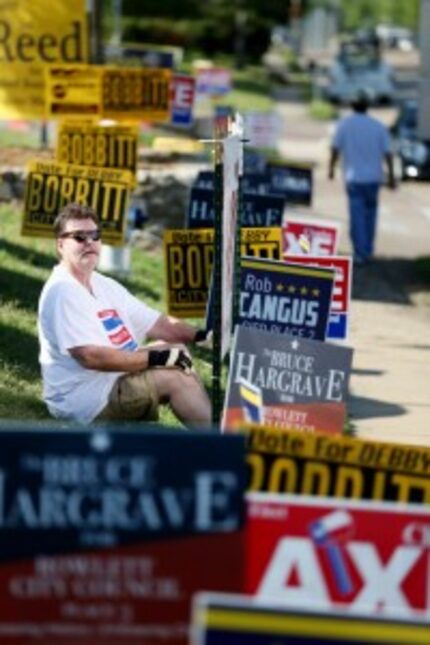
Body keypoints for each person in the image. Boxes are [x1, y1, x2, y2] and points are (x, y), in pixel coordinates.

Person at [38, 203, 212, 427]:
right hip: (86, 401)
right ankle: (226, 447)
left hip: (110, 379)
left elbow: (161, 324)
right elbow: (90, 357)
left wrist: (204, 336)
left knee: (177, 349)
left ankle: (217, 426)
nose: (89, 242)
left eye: (95, 235)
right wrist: (156, 359)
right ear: (61, 245)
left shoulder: (102, 283)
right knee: (176, 378)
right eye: (79, 237)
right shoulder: (63, 291)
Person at [328, 89, 396, 266]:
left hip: (354, 177)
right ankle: (368, 248)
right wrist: (391, 177)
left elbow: (335, 148)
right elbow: (388, 153)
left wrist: (331, 168)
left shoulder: (345, 125)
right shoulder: (378, 126)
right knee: (370, 214)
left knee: (356, 215)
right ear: (368, 106)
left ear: (352, 105)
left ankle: (360, 251)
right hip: (374, 178)